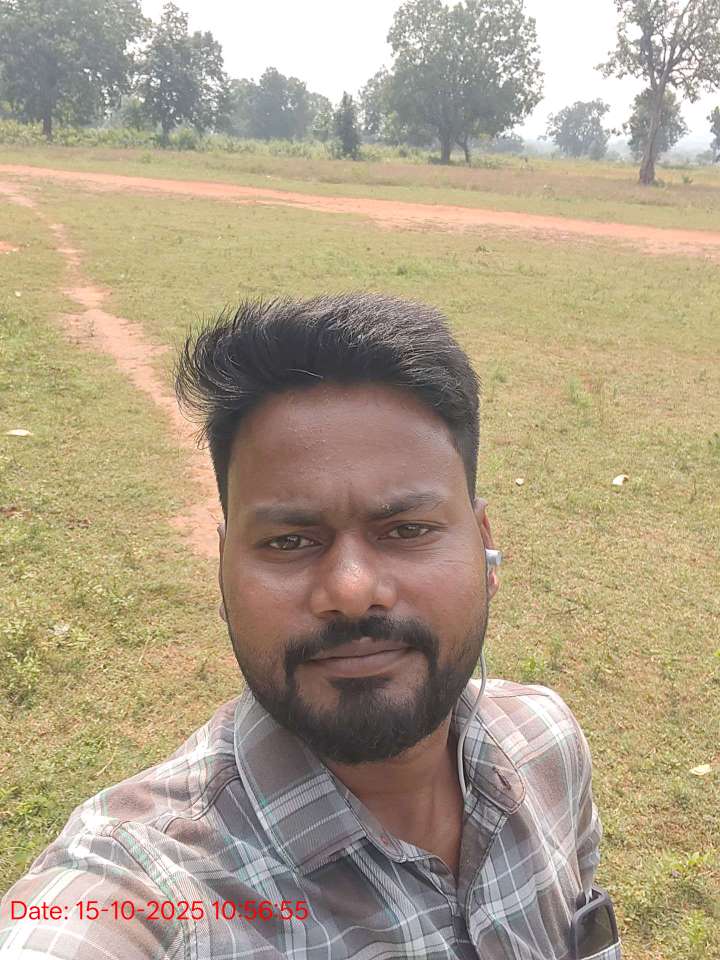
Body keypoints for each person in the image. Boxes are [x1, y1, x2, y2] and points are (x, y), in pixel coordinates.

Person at [0, 294, 619, 959]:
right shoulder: (146, 893)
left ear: (485, 545)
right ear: (223, 572)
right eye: (289, 542)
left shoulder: (548, 745)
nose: (351, 592)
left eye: (407, 530)